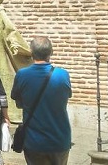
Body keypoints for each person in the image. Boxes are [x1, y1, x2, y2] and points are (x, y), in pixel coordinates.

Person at [11, 36, 71, 165]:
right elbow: (65, 99)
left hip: (34, 142)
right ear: (51, 53)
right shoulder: (63, 74)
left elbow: (18, 103)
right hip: (60, 139)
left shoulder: (22, 75)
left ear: (31, 54)